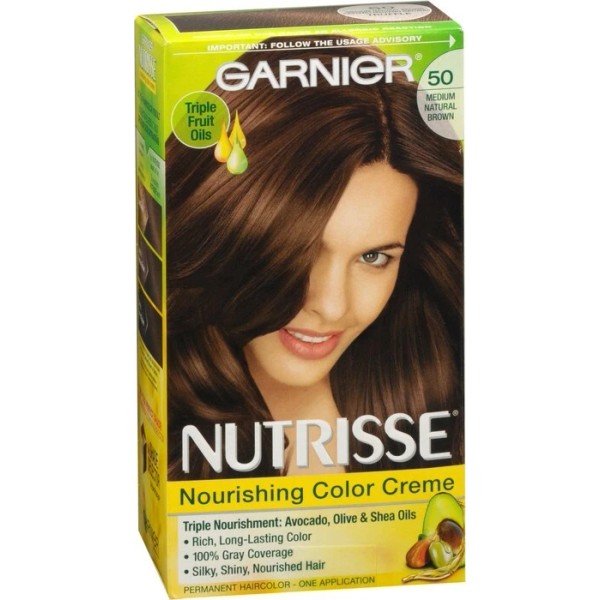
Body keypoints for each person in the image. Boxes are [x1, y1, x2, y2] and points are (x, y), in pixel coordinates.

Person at [166, 38, 463, 479]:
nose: (332, 306)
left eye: (374, 257)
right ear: (226, 232)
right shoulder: (161, 421)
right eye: (304, 251)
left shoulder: (441, 409)